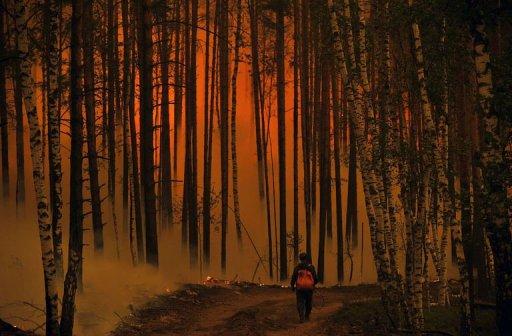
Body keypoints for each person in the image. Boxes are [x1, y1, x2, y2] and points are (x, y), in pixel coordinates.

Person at [290, 252, 318, 323]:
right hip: (309, 289)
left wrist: (292, 286)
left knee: (300, 302)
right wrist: (313, 285)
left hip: (300, 289)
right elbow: (315, 278)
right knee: (308, 303)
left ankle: (301, 317)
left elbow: (294, 278)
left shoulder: (297, 268)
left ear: (300, 259)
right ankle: (307, 316)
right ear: (306, 258)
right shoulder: (311, 267)